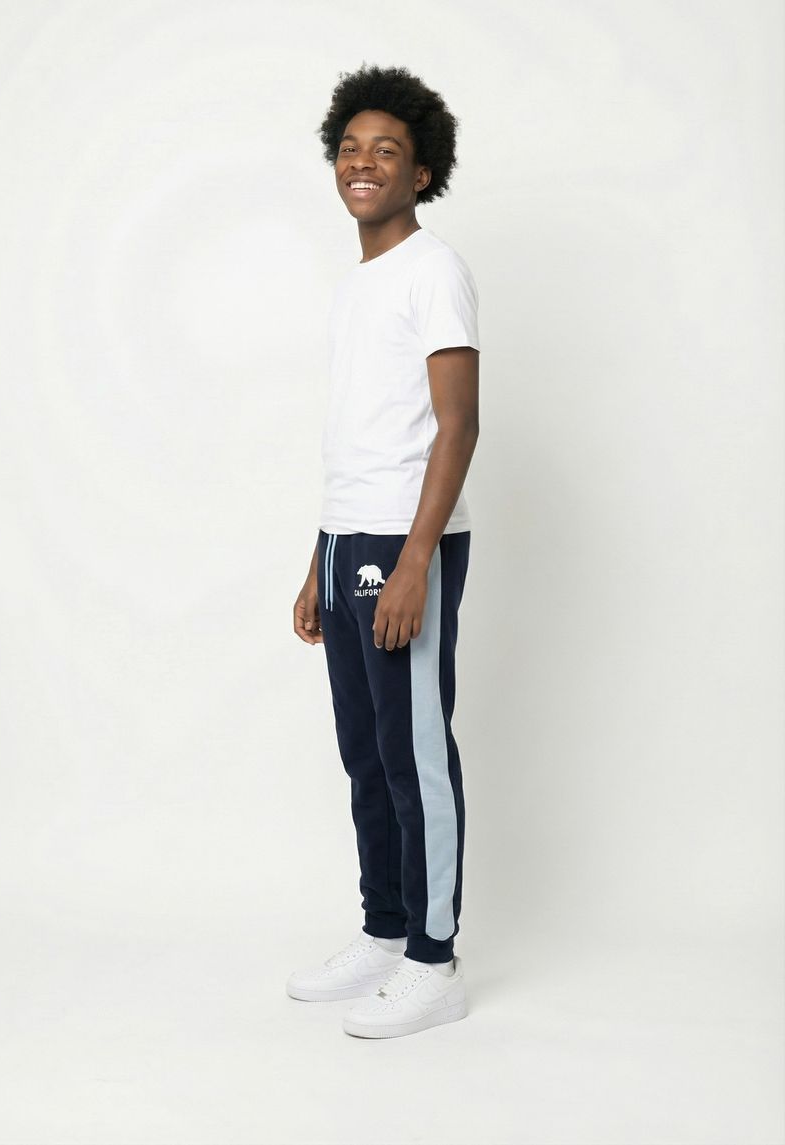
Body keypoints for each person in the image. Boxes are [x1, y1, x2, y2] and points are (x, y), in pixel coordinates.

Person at [289, 63, 481, 1039]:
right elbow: (361, 433)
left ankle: (434, 959)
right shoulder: (357, 284)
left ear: (421, 171)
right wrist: (317, 559)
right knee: (364, 752)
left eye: (387, 150)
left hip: (407, 544)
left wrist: (414, 560)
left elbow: (456, 425)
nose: (362, 162)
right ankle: (384, 927)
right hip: (346, 539)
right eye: (350, 147)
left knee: (414, 756)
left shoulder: (432, 269)